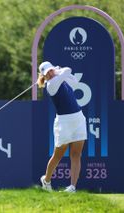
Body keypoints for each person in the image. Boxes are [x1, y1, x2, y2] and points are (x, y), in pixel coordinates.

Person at [37, 61, 87, 193]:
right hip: (63, 123)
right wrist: (59, 70)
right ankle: (46, 180)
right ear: (44, 76)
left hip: (78, 118)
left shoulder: (60, 79)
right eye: (47, 73)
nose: (50, 73)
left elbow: (74, 81)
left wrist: (57, 71)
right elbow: (68, 69)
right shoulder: (51, 85)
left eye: (51, 70)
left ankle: (72, 187)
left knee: (76, 154)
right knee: (58, 155)